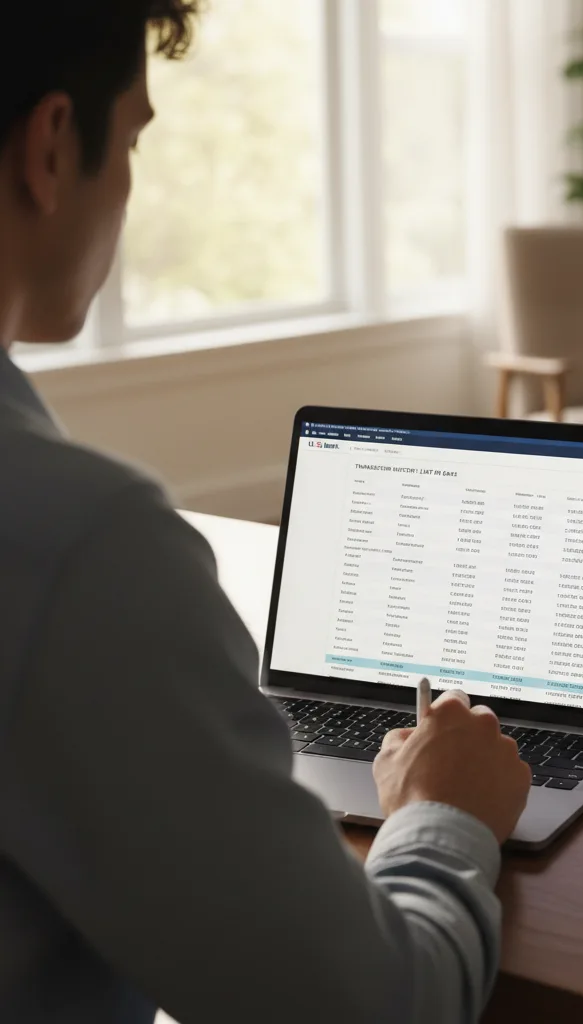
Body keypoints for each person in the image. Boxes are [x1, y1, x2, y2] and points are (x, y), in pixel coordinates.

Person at [0, 4, 532, 1022]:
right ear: (53, 147)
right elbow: (374, 1006)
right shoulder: (79, 543)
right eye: (138, 140)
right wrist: (442, 812)